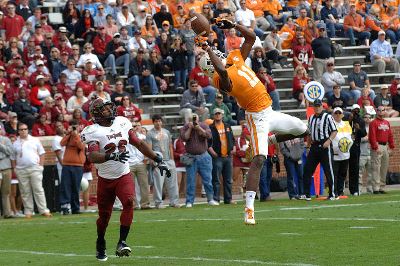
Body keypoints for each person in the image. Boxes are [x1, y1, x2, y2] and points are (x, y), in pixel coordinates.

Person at [201, 19, 308, 225]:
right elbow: (222, 72)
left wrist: (233, 24)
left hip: (270, 110)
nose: (220, 53)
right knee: (259, 159)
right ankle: (249, 208)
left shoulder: (235, 57)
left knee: (303, 129)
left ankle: (271, 140)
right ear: (211, 65)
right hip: (256, 117)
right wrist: (207, 49)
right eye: (215, 57)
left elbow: (250, 37)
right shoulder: (219, 79)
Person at [80, 98, 171, 261]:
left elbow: (139, 144)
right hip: (105, 179)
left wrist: (158, 160)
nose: (110, 110)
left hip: (123, 174)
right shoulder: (93, 131)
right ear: (97, 114)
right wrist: (111, 155)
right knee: (104, 218)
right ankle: (100, 241)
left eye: (109, 107)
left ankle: (122, 242)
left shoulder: (122, 122)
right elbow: (92, 156)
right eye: (105, 109)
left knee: (129, 201)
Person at [10, 122, 52, 218]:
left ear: (27, 130)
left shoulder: (34, 140)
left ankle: (44, 210)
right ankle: (28, 212)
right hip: (21, 170)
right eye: (21, 129)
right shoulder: (15, 143)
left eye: (25, 129)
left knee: (38, 190)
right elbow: (12, 158)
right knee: (25, 192)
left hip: (35, 168)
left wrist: (41, 166)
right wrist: (15, 169)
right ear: (18, 131)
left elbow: (42, 153)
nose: (23, 131)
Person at [179, 114, 219, 208]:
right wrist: (190, 128)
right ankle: (189, 201)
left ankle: (210, 199)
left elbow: (208, 136)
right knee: (190, 181)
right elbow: (185, 138)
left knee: (208, 180)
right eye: (192, 120)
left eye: (195, 119)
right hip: (191, 157)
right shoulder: (185, 127)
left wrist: (198, 128)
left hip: (204, 156)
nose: (194, 121)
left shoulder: (204, 125)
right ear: (188, 120)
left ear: (198, 119)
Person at [302, 99, 338, 201]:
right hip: (314, 146)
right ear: (313, 107)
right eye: (315, 106)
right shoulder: (311, 118)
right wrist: (308, 147)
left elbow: (334, 131)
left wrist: (329, 141)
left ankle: (332, 194)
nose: (317, 108)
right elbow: (309, 134)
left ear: (322, 107)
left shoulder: (328, 117)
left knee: (328, 170)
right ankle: (307, 194)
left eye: (319, 106)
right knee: (307, 170)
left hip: (324, 146)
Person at [146, 115, 180, 209]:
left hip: (169, 160)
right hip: (159, 161)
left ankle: (174, 201)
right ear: (153, 122)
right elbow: (149, 148)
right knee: (158, 184)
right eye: (156, 121)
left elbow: (170, 146)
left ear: (162, 122)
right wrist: (151, 159)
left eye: (160, 121)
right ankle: (158, 202)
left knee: (172, 183)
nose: (158, 123)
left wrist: (172, 160)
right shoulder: (150, 133)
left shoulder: (167, 132)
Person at [208, 108, 235, 204]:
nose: (218, 115)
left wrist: (233, 148)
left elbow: (232, 138)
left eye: (219, 114)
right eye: (216, 114)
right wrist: (212, 152)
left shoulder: (227, 126)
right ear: (213, 116)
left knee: (228, 180)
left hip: (227, 156)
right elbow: (208, 143)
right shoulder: (210, 128)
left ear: (222, 115)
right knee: (216, 180)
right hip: (217, 157)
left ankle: (228, 199)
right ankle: (216, 199)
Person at [59, 121, 86, 215]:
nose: (74, 129)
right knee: (65, 186)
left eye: (75, 127)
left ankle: (75, 208)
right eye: (72, 127)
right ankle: (65, 207)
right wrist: (69, 134)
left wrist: (75, 135)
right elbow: (61, 143)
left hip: (78, 166)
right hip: (67, 165)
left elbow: (81, 146)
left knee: (76, 187)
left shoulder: (81, 137)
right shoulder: (68, 136)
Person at [368, 106, 395, 194]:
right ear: (376, 112)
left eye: (382, 110)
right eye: (379, 110)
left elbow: (390, 135)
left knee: (384, 167)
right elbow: (372, 136)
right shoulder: (373, 123)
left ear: (384, 112)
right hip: (377, 146)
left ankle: (382, 187)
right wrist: (376, 147)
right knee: (376, 168)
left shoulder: (387, 122)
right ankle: (375, 188)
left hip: (385, 146)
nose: (380, 112)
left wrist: (391, 147)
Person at [126, 121, 150, 210]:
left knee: (144, 184)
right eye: (133, 126)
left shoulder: (142, 137)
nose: (135, 127)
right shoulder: (125, 137)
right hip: (129, 163)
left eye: (136, 125)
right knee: (130, 186)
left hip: (140, 162)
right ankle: (134, 205)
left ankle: (145, 204)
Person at [331, 107, 353, 196]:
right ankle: (334, 192)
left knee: (342, 174)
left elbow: (350, 137)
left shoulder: (346, 124)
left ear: (342, 115)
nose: (337, 115)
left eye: (339, 113)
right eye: (336, 113)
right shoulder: (330, 124)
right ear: (332, 115)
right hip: (335, 154)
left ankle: (340, 191)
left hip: (345, 153)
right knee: (334, 174)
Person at [0, 126, 13, 218]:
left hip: (6, 168)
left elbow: (10, 151)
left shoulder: (6, 139)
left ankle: (7, 213)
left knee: (6, 192)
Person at [359, 112, 373, 194]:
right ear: (363, 119)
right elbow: (357, 140)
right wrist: (365, 139)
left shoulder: (373, 128)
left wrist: (369, 139)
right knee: (360, 173)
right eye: (365, 117)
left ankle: (370, 189)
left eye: (369, 117)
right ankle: (359, 189)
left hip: (371, 154)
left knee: (370, 173)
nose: (367, 118)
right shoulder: (360, 128)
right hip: (362, 154)